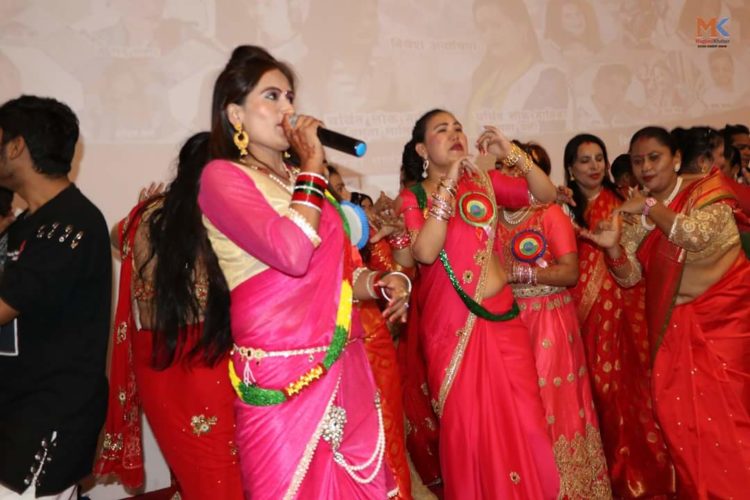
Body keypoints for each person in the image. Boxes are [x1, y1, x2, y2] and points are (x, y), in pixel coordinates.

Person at [197, 45, 410, 499]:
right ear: (235, 114)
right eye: (272, 96)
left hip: (345, 361)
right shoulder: (222, 178)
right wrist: (314, 166)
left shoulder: (303, 181)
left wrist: (382, 283)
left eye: (290, 97)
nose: (288, 109)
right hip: (281, 374)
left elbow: (339, 275)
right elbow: (291, 254)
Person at [385, 109, 560, 498]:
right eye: (441, 130)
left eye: (458, 128)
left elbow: (545, 195)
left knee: (528, 423)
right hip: (452, 330)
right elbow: (425, 252)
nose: (454, 134)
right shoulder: (412, 198)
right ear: (422, 149)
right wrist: (447, 185)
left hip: (504, 321)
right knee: (471, 432)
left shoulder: (484, 182)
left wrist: (512, 153)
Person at [583, 126, 750, 498]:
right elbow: (631, 278)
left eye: (654, 157)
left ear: (676, 159)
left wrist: (648, 207)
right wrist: (613, 249)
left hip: (727, 323)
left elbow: (691, 236)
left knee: (731, 421)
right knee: (680, 420)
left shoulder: (707, 192)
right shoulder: (633, 217)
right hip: (677, 328)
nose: (645, 167)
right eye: (637, 161)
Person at [95, 133, 244, 499]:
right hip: (210, 358)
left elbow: (115, 238)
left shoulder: (146, 217)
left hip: (157, 361)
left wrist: (141, 212)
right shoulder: (223, 216)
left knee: (193, 472)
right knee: (224, 472)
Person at [0, 96, 111, 499]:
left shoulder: (69, 225)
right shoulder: (26, 224)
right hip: (15, 412)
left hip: (44, 420)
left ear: (16, 146)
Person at [497, 141, 611, 498]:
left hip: (549, 319)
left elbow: (570, 272)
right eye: (503, 168)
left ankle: (570, 488)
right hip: (506, 323)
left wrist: (518, 274)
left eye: (519, 168)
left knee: (552, 405)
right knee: (517, 411)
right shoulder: (489, 219)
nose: (510, 175)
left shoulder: (550, 214)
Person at [564, 133, 675, 498]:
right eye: (584, 160)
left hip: (628, 311)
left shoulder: (625, 203)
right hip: (584, 320)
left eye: (599, 158)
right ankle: (607, 479)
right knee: (599, 397)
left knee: (633, 395)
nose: (594, 166)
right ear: (570, 169)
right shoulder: (563, 210)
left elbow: (635, 263)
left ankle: (646, 479)